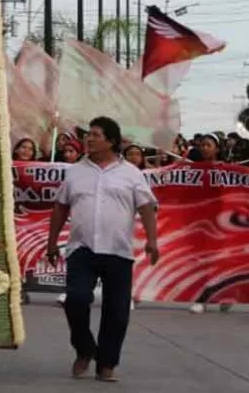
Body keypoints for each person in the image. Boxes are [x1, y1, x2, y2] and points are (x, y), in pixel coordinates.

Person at [46, 116, 159, 383]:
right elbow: (61, 206)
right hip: (81, 249)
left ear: (110, 141)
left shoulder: (131, 173)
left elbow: (146, 206)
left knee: (117, 312)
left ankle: (106, 363)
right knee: (75, 299)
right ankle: (85, 349)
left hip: (118, 251)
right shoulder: (75, 171)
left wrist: (152, 241)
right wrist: (51, 242)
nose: (89, 138)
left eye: (96, 135)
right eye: (88, 134)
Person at [189, 133, 232, 314]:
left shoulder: (227, 170)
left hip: (222, 220)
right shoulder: (193, 170)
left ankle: (226, 295)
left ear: (217, 149)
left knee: (221, 261)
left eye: (208, 145)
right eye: (202, 145)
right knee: (201, 261)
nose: (205, 148)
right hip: (200, 220)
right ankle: (201, 298)